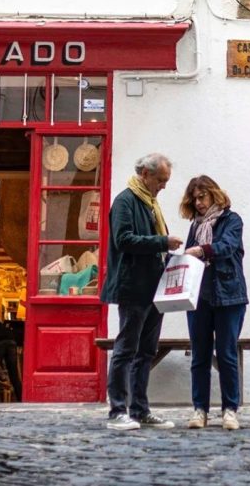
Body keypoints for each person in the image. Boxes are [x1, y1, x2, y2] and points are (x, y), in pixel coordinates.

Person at [100, 153, 184, 430]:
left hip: (153, 287)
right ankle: (117, 411)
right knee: (126, 349)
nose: (164, 186)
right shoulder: (125, 201)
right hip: (133, 287)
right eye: (161, 180)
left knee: (146, 351)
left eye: (166, 180)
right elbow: (123, 240)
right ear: (145, 174)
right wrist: (163, 241)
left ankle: (140, 409)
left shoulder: (149, 203)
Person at [179, 176, 248, 431]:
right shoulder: (195, 226)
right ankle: (200, 410)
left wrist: (201, 250)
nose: (198, 203)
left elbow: (227, 247)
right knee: (199, 356)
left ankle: (230, 410)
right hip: (199, 297)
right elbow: (188, 256)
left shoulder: (232, 220)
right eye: (194, 199)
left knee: (227, 354)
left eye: (202, 197)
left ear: (213, 195)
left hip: (230, 296)